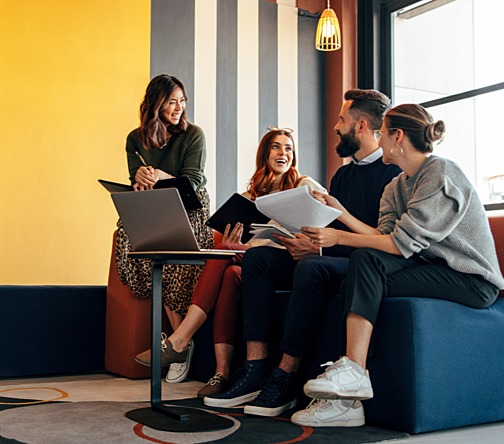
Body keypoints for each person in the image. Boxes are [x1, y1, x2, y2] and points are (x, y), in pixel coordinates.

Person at [291, 103, 504, 427]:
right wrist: (341, 214)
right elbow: (384, 235)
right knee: (355, 279)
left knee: (364, 262)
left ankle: (352, 373)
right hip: (431, 267)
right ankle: (347, 402)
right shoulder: (396, 186)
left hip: (470, 279)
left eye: (383, 132)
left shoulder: (441, 174)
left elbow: (398, 244)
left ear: (397, 136)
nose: (377, 139)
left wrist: (338, 237)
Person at [203, 89, 402, 419]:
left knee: (311, 268)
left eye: (342, 119)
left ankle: (285, 378)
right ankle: (254, 369)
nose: (336, 126)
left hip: (364, 265)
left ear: (362, 125)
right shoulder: (342, 175)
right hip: (328, 255)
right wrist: (305, 242)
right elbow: (326, 226)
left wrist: (319, 249)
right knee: (258, 260)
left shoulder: (392, 175)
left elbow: (382, 241)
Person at [134, 127, 326, 389]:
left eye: (289, 148)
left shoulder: (304, 185)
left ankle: (180, 340)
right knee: (228, 270)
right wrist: (232, 245)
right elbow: (236, 242)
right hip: (252, 264)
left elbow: (326, 222)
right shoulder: (249, 198)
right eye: (276, 147)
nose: (283, 153)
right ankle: (221, 373)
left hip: (291, 261)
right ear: (265, 155)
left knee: (227, 259)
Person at [115, 74, 214, 383]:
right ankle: (179, 344)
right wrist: (140, 180)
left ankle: (178, 343)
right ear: (155, 104)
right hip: (155, 205)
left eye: (182, 101)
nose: (178, 107)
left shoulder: (193, 134)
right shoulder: (135, 138)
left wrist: (159, 174)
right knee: (131, 240)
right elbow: (135, 177)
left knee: (172, 263)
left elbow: (193, 181)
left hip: (189, 208)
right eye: (172, 101)